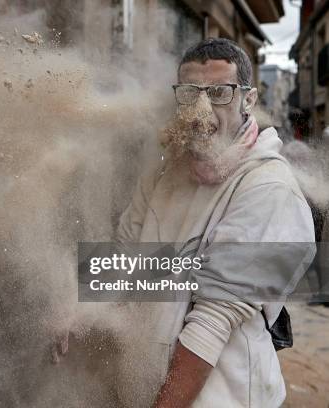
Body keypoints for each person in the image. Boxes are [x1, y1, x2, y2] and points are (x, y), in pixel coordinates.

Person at [56, 38, 315, 407]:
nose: (202, 107)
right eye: (190, 92)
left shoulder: (268, 188)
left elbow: (212, 322)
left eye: (220, 92)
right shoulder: (165, 171)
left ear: (248, 100)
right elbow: (124, 256)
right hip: (144, 387)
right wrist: (78, 310)